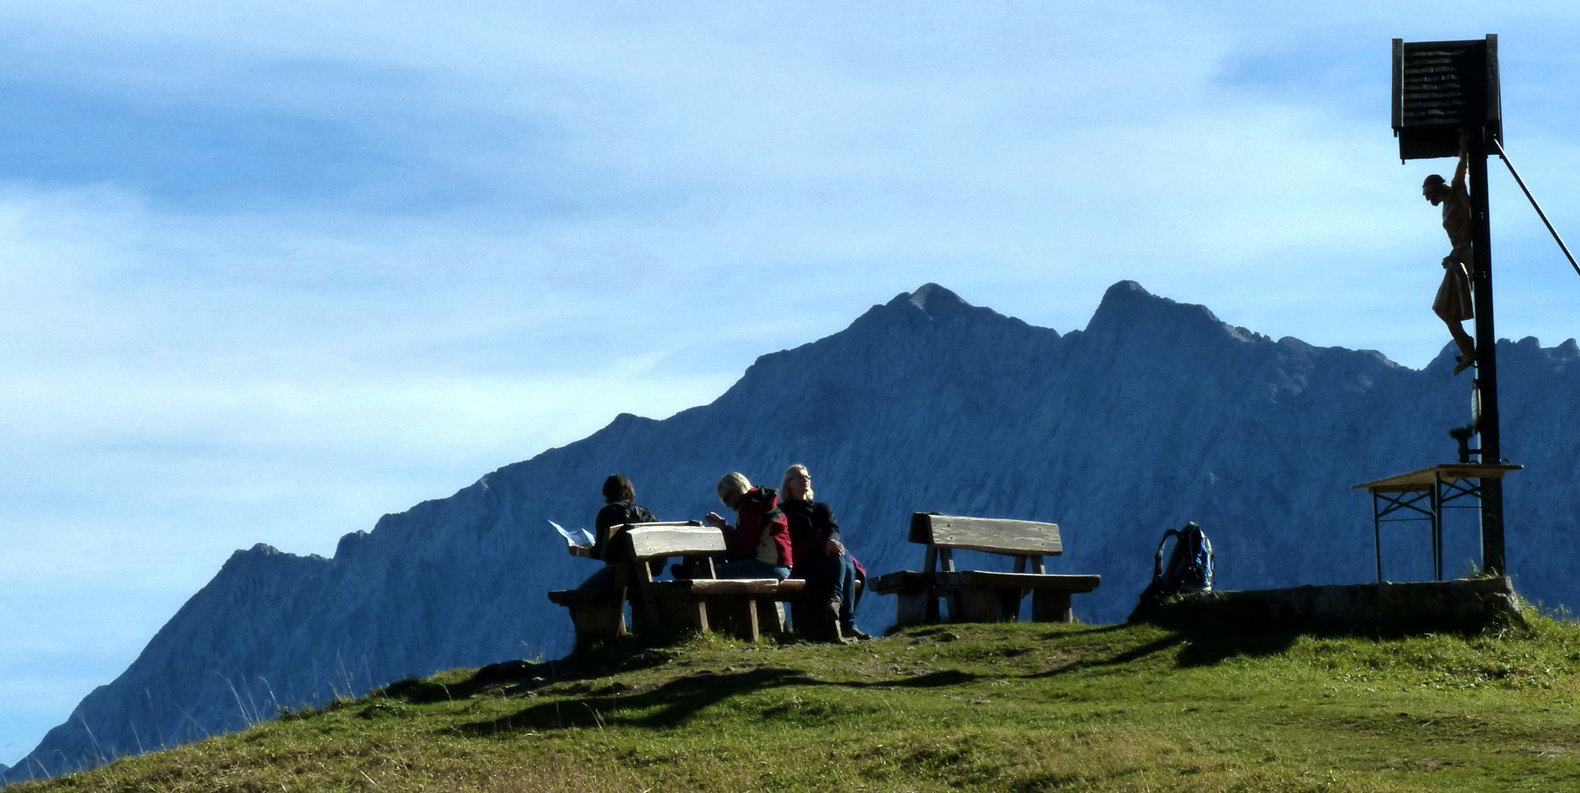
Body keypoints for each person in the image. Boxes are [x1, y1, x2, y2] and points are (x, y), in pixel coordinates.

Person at [780, 464, 868, 641]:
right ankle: (847, 622)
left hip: (827, 555)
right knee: (846, 564)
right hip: (804, 560)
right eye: (798, 477)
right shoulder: (785, 511)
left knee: (841, 556)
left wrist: (831, 540)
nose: (805, 479)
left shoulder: (821, 508)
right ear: (789, 484)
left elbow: (833, 528)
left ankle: (836, 602)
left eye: (807, 477)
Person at [1422, 130, 1477, 374]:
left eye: (1427, 194)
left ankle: (1469, 349)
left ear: (1435, 187)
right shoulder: (1446, 205)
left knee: (1443, 309)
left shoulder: (1456, 193)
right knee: (1443, 309)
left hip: (1467, 255)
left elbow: (1462, 167)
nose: (1427, 200)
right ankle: (1468, 348)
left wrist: (1464, 146)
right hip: (1458, 255)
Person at [704, 472, 792, 580]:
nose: (727, 505)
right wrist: (725, 527)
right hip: (783, 565)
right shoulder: (761, 501)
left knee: (712, 575)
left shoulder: (750, 507)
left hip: (769, 566)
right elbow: (749, 539)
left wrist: (724, 529)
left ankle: (691, 574)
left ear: (736, 491)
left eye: (726, 499)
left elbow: (744, 549)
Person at [577, 474, 658, 589]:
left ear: (607, 494)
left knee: (577, 598)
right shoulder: (644, 513)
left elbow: (601, 553)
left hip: (619, 575)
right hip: (644, 574)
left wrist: (579, 551)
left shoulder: (608, 513)